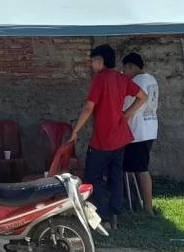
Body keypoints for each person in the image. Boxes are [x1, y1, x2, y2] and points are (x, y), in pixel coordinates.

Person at [68, 45, 148, 230]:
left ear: (100, 61)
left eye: (93, 60)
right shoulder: (121, 78)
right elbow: (143, 97)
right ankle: (114, 216)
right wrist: (127, 114)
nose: (91, 64)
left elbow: (89, 108)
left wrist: (76, 130)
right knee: (115, 176)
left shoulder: (100, 79)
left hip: (103, 139)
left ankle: (102, 215)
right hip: (120, 138)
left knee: (92, 176)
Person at [121, 53, 159, 215]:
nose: (124, 72)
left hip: (138, 130)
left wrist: (126, 114)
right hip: (150, 127)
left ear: (130, 66)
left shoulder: (137, 81)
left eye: (125, 69)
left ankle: (148, 207)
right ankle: (141, 201)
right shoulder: (151, 79)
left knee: (141, 169)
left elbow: (131, 103)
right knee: (138, 167)